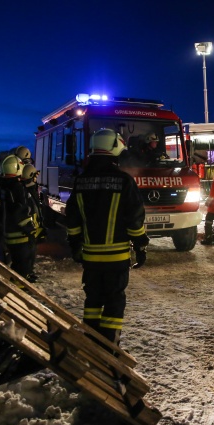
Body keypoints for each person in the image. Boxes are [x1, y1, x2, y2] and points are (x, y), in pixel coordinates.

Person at [65, 129, 149, 346]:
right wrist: (140, 246)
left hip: (90, 257)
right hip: (116, 257)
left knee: (93, 299)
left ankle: (90, 343)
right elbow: (135, 220)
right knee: (114, 301)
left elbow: (72, 219)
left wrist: (75, 246)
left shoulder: (81, 182)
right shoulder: (123, 181)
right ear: (114, 149)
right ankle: (109, 348)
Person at [0, 154, 38, 282]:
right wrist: (29, 227)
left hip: (12, 233)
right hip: (20, 235)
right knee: (22, 264)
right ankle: (19, 287)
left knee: (20, 263)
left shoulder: (6, 186)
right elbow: (19, 210)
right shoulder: (16, 187)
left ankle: (23, 280)